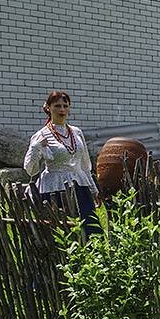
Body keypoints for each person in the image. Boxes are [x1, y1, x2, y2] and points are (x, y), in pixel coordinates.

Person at [23, 90, 100, 235]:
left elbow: (84, 165)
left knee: (90, 230)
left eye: (65, 106)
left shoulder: (76, 132)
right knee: (63, 233)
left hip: (80, 187)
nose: (62, 110)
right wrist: (36, 148)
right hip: (55, 190)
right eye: (57, 106)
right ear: (48, 108)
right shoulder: (41, 135)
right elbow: (30, 170)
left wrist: (93, 189)